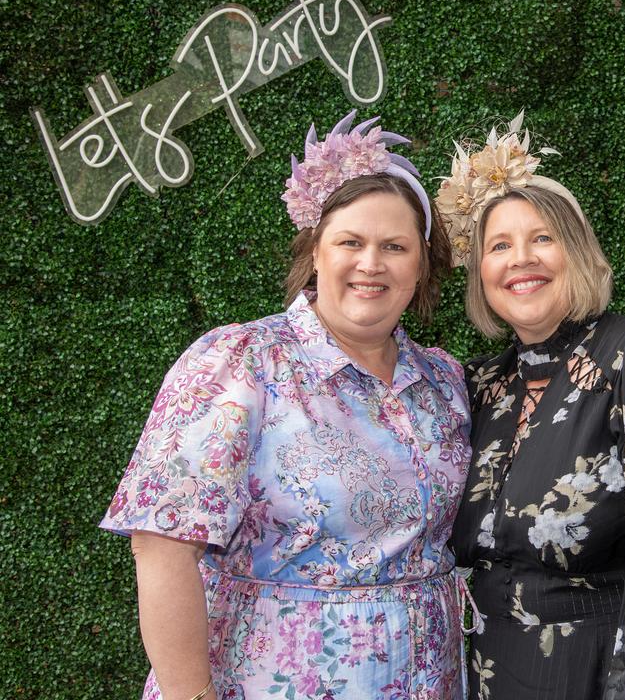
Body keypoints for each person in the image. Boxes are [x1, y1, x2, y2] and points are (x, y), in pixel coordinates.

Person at [101, 111, 472, 700]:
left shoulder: (443, 383)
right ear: (316, 252)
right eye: (351, 241)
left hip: (429, 681)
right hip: (268, 682)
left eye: (395, 247)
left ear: (422, 265)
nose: (371, 263)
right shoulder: (240, 361)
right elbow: (162, 543)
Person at [441, 113, 625, 700]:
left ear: (578, 253)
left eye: (542, 238)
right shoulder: (479, 386)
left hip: (602, 675)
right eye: (500, 245)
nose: (520, 259)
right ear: (481, 275)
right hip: (485, 676)